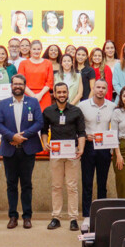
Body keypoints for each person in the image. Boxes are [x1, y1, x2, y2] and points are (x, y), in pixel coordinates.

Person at [0, 74, 44, 229]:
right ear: (11, 85)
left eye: (20, 84)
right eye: (15, 84)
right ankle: (13, 216)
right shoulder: (3, 104)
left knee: (27, 184)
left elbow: (39, 122)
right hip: (9, 150)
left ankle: (27, 217)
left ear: (24, 86)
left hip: (27, 149)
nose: (17, 86)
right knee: (11, 185)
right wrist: (12, 136)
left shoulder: (33, 102)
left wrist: (23, 136)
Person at [42, 82, 86, 230]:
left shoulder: (76, 111)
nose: (61, 95)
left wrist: (81, 148)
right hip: (55, 153)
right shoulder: (48, 111)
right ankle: (56, 217)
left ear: (68, 93)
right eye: (58, 92)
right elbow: (43, 130)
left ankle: (73, 218)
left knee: (72, 186)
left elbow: (81, 132)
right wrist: (44, 143)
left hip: (72, 152)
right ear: (54, 94)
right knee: (56, 186)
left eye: (64, 92)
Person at [77, 79, 116, 218]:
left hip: (104, 147)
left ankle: (101, 212)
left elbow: (115, 127)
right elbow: (77, 126)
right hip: (88, 146)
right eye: (98, 87)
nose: (100, 90)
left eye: (103, 88)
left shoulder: (112, 106)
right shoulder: (82, 105)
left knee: (102, 182)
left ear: (107, 90)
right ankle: (87, 213)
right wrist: (84, 135)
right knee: (87, 181)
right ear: (93, 89)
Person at [17, 40, 54, 111]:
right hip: (27, 95)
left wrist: (40, 95)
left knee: (43, 119)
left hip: (44, 96)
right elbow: (21, 82)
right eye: (34, 49)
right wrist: (33, 96)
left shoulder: (48, 63)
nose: (36, 51)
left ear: (41, 50)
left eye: (38, 49)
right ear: (30, 50)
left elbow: (49, 82)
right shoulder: (23, 63)